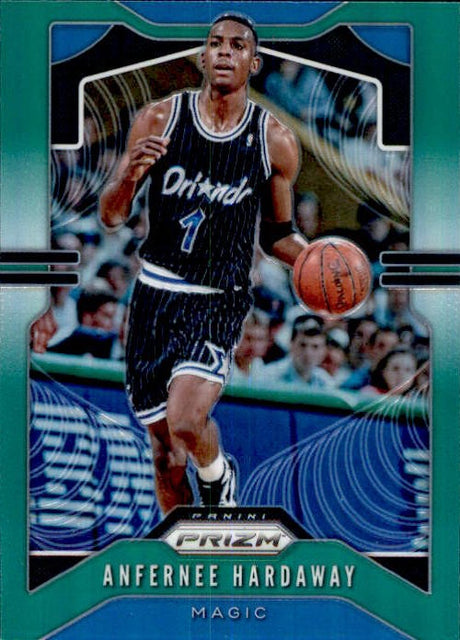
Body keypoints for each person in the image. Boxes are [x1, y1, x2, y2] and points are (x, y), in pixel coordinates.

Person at [99, 14, 308, 514]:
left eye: (237, 46)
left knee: (187, 422)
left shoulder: (274, 140)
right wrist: (129, 177)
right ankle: (187, 542)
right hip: (153, 295)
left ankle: (218, 477)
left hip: (218, 298)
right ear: (201, 57)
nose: (224, 52)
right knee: (165, 456)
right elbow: (111, 216)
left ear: (254, 64)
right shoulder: (159, 119)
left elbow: (277, 236)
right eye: (215, 43)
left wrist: (315, 261)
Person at [264, 315, 334, 389]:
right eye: (302, 345)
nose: (308, 353)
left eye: (315, 347)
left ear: (324, 350)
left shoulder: (325, 382)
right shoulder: (269, 376)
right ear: (291, 345)